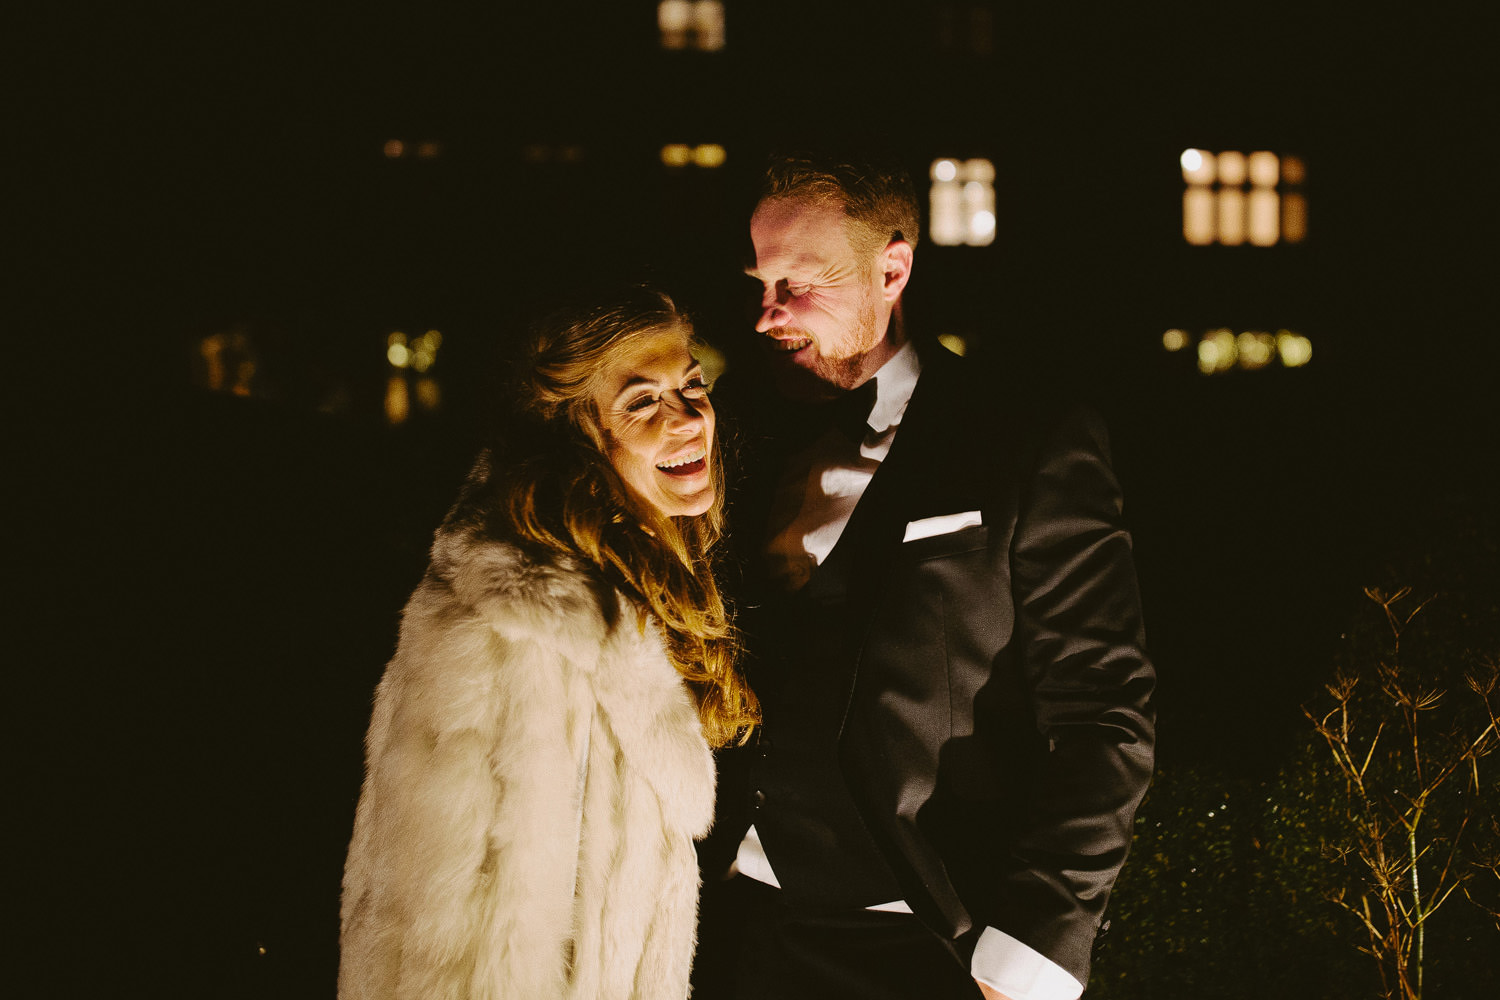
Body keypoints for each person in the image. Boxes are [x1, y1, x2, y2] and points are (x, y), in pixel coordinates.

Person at [692, 151, 1156, 1000]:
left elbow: (1104, 711)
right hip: (733, 925)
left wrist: (1034, 949)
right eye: (762, 284)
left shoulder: (1026, 439)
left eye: (800, 284)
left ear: (893, 268)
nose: (768, 316)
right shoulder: (730, 435)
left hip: (927, 940)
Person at [338, 287, 758, 1000]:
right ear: (576, 435)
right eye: (642, 402)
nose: (688, 420)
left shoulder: (647, 574)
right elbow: (458, 941)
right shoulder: (512, 627)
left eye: (692, 386)